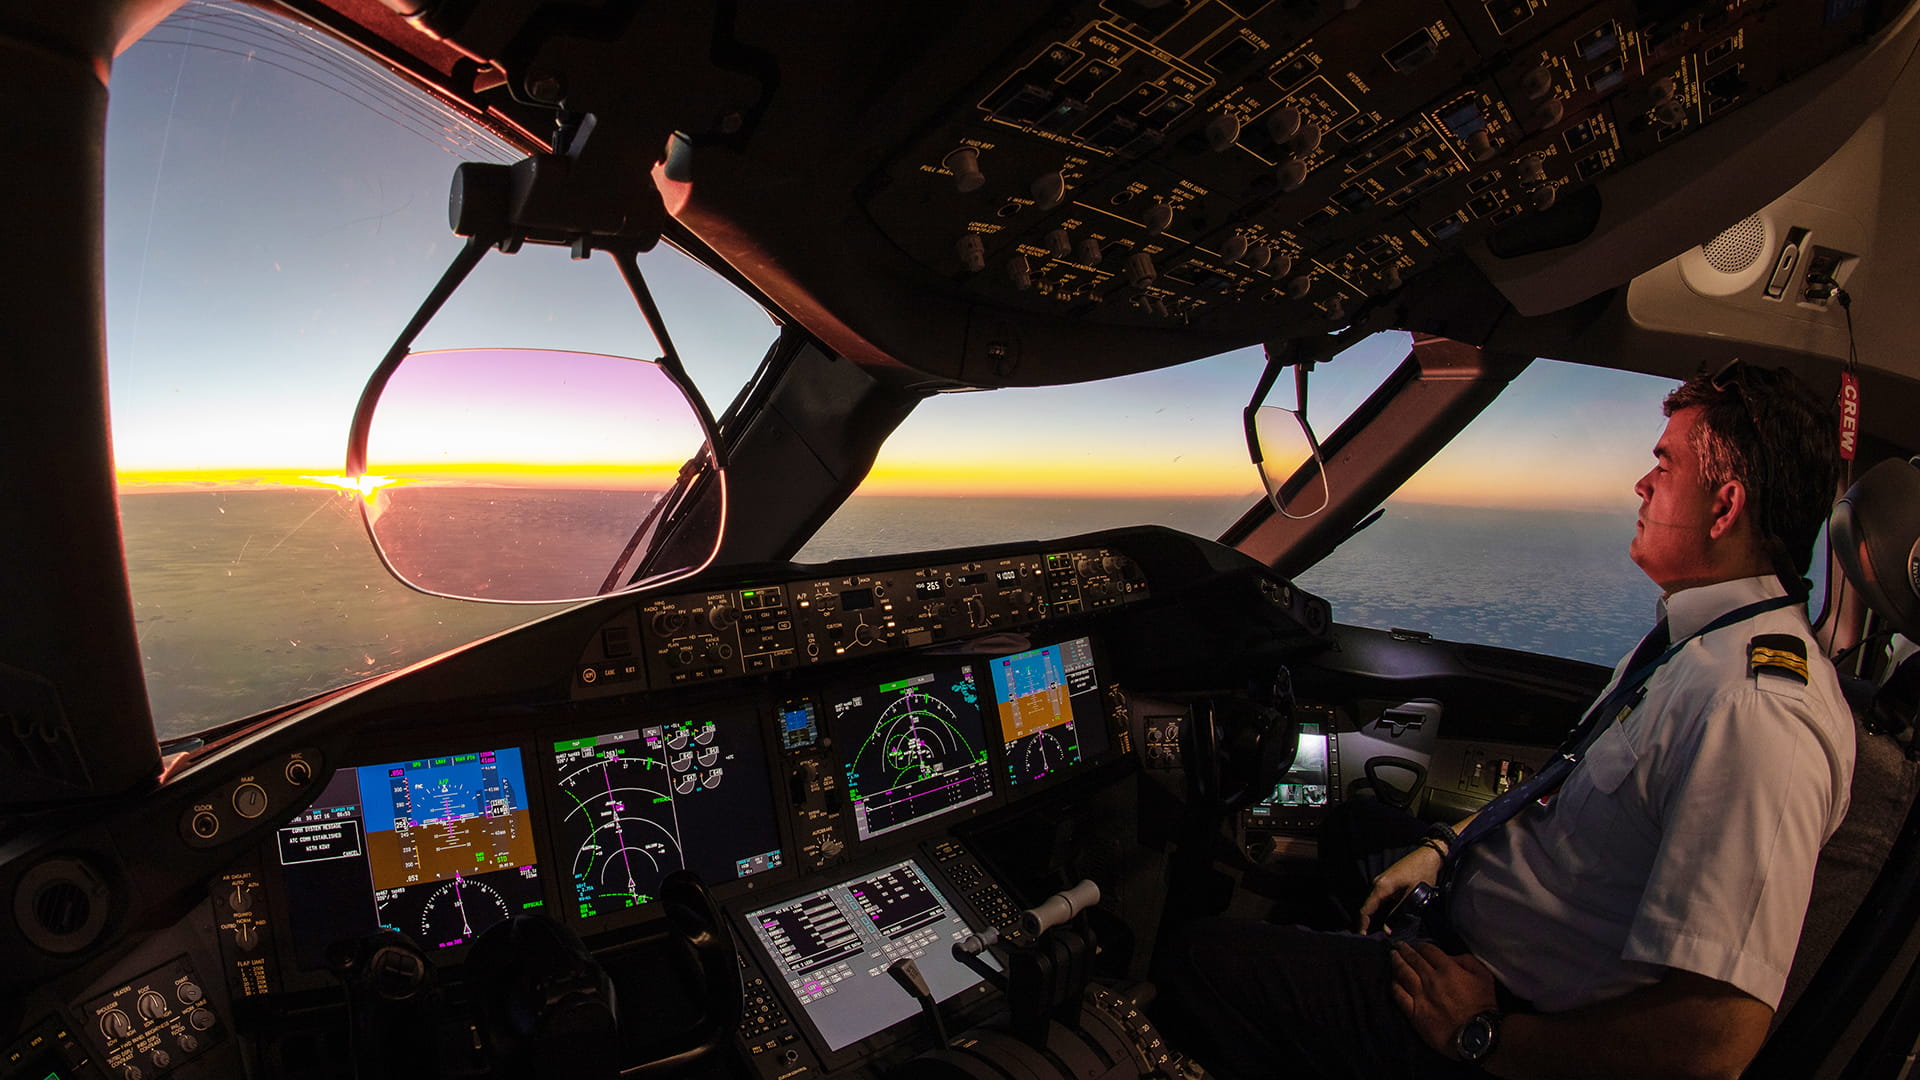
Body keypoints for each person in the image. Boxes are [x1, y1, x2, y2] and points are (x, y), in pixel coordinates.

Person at [1161, 362, 1854, 1080]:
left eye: (1665, 465)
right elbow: (1562, 797)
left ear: (1725, 506)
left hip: (1503, 1018)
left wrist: (1482, 1036)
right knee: (1351, 828)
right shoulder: (1697, 645)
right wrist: (1445, 846)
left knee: (1197, 960)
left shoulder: (1756, 713)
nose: (1643, 486)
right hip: (1478, 923)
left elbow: (1709, 1045)